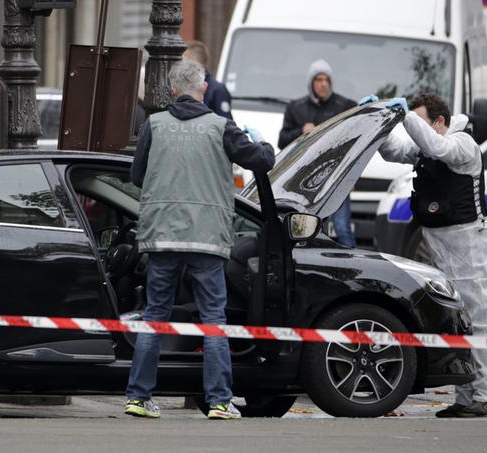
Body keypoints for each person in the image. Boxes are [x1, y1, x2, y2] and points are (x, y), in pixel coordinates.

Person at [125, 59, 275, 420]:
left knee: (155, 316)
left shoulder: (153, 125)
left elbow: (136, 176)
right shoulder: (222, 127)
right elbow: (260, 160)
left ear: (173, 89)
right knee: (213, 319)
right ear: (204, 87)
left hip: (161, 236)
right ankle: (219, 401)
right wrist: (264, 143)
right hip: (207, 237)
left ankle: (138, 396)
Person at [371, 92, 487, 418]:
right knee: (457, 318)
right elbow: (393, 151)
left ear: (440, 121)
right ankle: (466, 396)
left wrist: (407, 117)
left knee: (480, 315)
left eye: (420, 120)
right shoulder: (427, 143)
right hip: (438, 241)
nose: (417, 128)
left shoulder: (462, 143)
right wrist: (378, 120)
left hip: (467, 242)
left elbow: (436, 147)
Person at [278, 59, 357, 247]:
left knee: (342, 228)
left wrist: (353, 177)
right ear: (311, 83)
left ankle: (354, 267)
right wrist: (301, 131)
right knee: (308, 228)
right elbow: (282, 141)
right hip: (306, 182)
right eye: (318, 80)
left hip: (337, 178)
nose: (323, 84)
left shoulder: (344, 106)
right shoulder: (296, 107)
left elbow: (356, 143)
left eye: (326, 80)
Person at [183, 40, 234, 120]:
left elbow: (226, 123)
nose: (181, 67)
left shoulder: (217, 90)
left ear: (197, 64)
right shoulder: (186, 85)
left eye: (185, 63)